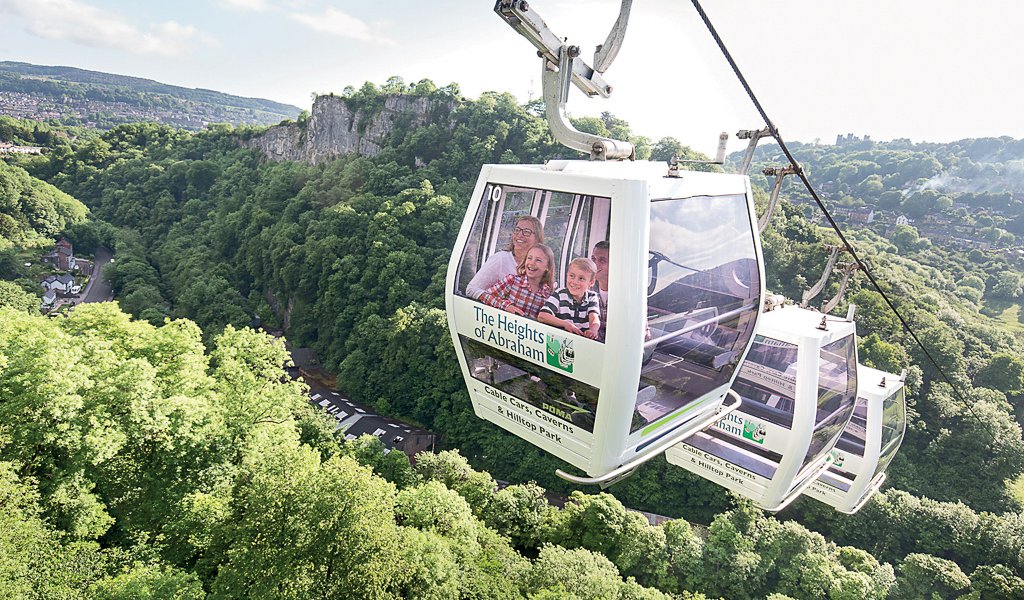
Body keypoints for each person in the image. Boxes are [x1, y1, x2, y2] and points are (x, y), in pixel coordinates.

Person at [466, 216, 544, 299]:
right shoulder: (500, 259)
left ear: (537, 239)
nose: (520, 235)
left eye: (527, 232)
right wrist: (502, 305)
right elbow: (471, 289)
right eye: (517, 230)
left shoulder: (540, 267)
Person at [478, 244, 555, 318]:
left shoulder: (549, 295)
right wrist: (506, 306)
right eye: (529, 258)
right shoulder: (512, 280)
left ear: (547, 267)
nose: (532, 263)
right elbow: (485, 295)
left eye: (538, 260)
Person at [538, 257, 601, 340]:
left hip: (583, 341)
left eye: (581, 278)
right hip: (562, 340)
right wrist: (565, 324)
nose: (575, 282)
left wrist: (593, 331)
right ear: (567, 275)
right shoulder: (560, 294)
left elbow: (594, 318)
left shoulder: (592, 297)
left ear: (591, 282)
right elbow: (542, 316)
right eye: (572, 276)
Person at [590, 241, 609, 342]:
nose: (595, 264)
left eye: (602, 260)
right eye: (593, 259)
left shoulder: (624, 296)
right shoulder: (587, 291)